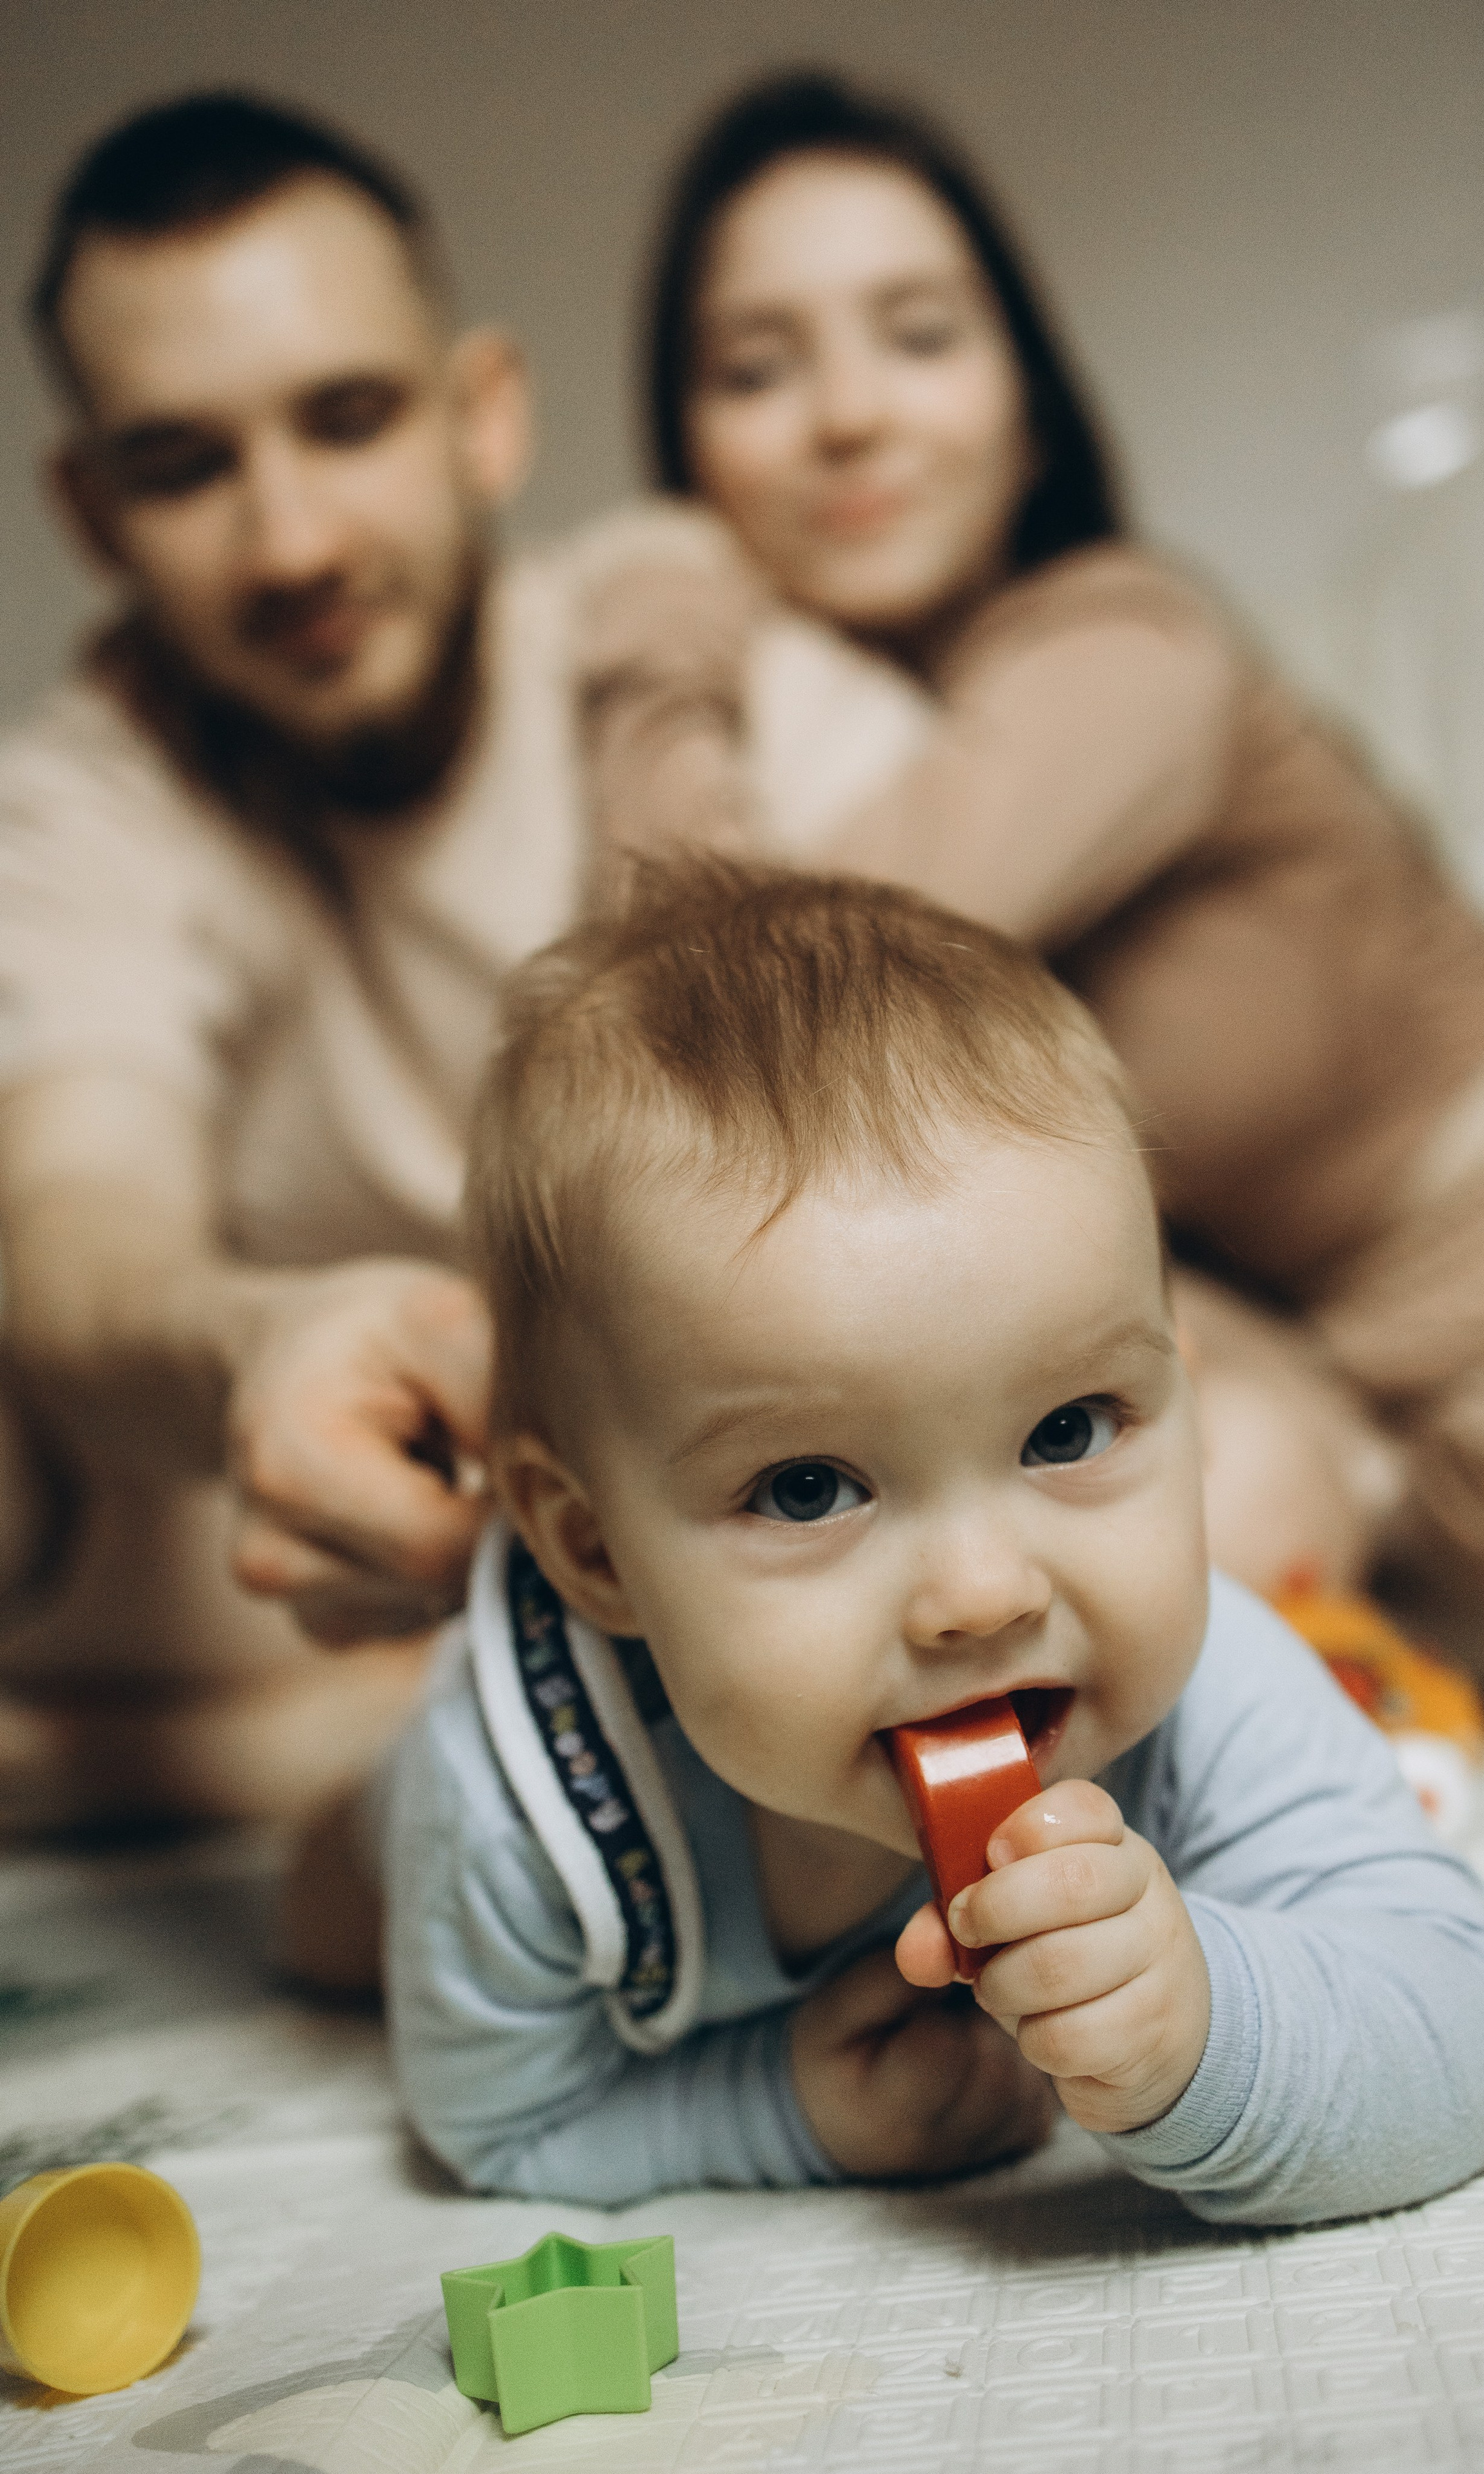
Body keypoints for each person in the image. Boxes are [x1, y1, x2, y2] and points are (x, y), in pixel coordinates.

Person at [570, 70, 1484, 1710]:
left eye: (918, 334)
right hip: (1312, 1370)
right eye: (755, 367)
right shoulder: (836, 738)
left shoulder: (1123, 641)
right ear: (692, 442)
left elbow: (725, 978)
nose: (847, 414)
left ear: (1023, 394)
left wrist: (648, 633)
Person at [0, 90, 911, 1854]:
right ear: (91, 512)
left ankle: (106, 1763)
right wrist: (257, 1338)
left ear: (483, 415)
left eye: (346, 421)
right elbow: (71, 1240)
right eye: (185, 467)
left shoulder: (688, 670)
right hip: (287, 1532)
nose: (293, 546)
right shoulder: (79, 800)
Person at [385, 859, 1484, 2220]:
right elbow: (503, 2124)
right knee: (333, 1919)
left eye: (1065, 1431)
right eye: (808, 1488)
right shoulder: (526, 1804)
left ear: (1175, 1388)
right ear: (595, 1552)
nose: (983, 1596)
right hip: (457, 1812)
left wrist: (1205, 2024)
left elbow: (1463, 2018)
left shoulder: (1207, 1678)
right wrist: (782, 2107)